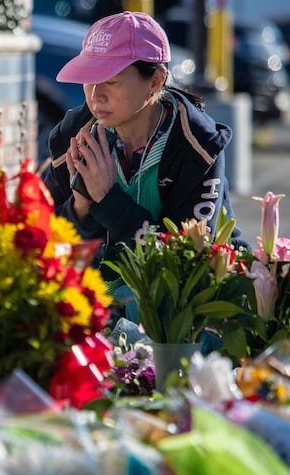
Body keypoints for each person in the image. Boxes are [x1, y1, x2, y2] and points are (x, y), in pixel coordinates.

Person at [40, 11, 247, 319]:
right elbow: (39, 234)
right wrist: (80, 208)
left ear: (156, 81)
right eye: (89, 81)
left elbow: (181, 267)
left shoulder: (196, 148)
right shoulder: (75, 135)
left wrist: (108, 199)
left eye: (111, 81)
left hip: (184, 313)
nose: (96, 96)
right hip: (97, 304)